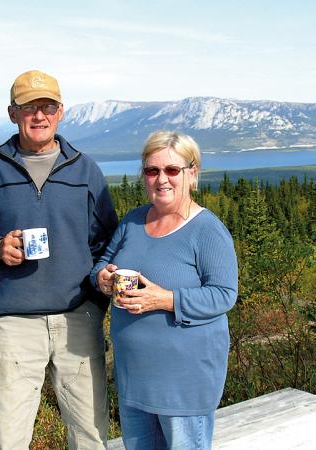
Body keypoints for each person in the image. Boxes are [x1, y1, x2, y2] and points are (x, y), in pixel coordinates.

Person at [0, 69, 118, 449]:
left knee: (90, 434)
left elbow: (106, 242)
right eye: (29, 108)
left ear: (61, 112)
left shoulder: (85, 170)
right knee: (8, 437)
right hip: (13, 323)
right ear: (13, 113)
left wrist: (99, 293)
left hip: (78, 317)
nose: (39, 116)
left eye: (47, 107)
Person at [90, 131, 238, 450]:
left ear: (192, 174)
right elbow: (102, 262)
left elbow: (224, 294)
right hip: (135, 378)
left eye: (172, 170)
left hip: (184, 383)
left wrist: (165, 299)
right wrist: (101, 277)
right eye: (152, 170)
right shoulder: (132, 222)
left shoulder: (207, 230)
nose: (162, 180)